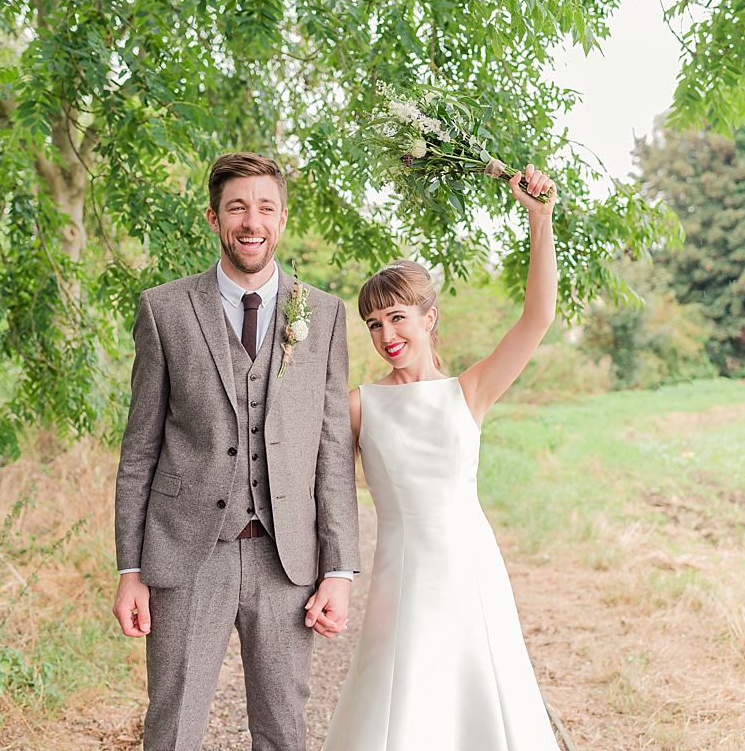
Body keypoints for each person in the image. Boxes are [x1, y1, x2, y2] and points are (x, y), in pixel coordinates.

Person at [111, 152, 361, 751]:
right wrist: (130, 570)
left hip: (287, 561)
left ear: (280, 220)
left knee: (283, 729)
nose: (252, 220)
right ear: (214, 217)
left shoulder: (323, 315)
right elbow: (140, 449)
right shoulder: (164, 309)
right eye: (238, 207)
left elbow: (331, 450)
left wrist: (340, 569)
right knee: (172, 727)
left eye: (265, 207)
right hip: (186, 555)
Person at [322, 165, 560, 750]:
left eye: (398, 317)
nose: (386, 334)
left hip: (471, 565)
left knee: (482, 693)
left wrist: (540, 218)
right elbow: (315, 483)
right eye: (375, 324)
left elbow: (538, 318)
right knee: (399, 698)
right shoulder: (360, 406)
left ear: (430, 318)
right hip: (403, 573)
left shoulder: (469, 391)